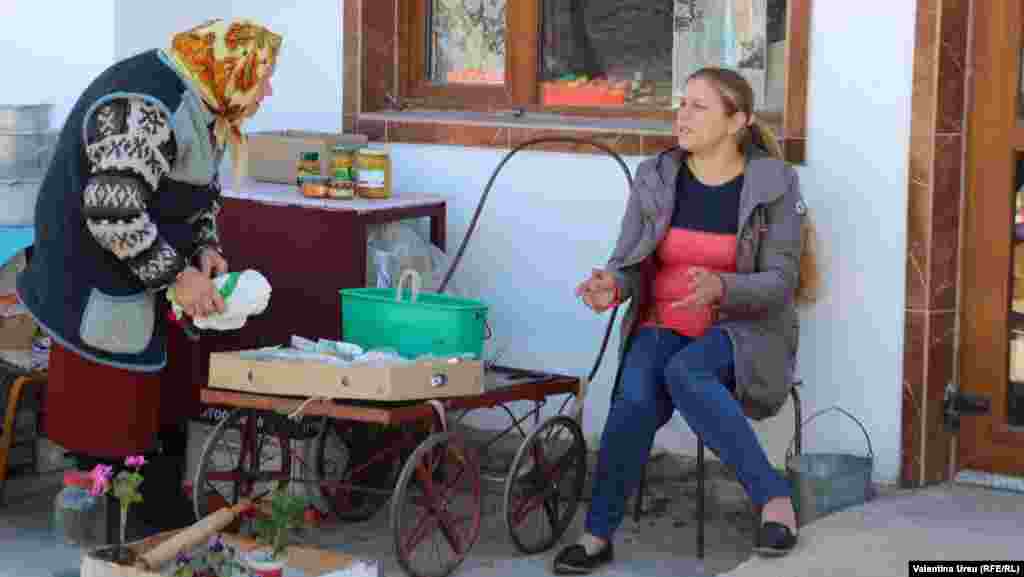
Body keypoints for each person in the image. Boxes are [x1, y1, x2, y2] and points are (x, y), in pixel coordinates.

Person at [16, 18, 282, 532]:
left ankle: (158, 529)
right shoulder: (145, 106)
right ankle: (113, 538)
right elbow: (113, 212)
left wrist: (205, 248)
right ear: (230, 68)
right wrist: (178, 277)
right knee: (109, 430)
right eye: (262, 76)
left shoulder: (208, 104)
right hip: (92, 283)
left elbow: (197, 193)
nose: (266, 90)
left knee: (160, 418)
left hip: (145, 280)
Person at [554, 67, 819, 574]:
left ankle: (773, 499)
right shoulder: (656, 175)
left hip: (742, 331)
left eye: (699, 106)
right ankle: (597, 534)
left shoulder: (774, 183)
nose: (683, 115)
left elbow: (783, 281)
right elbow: (629, 261)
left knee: (686, 370)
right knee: (633, 393)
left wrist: (723, 288)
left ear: (736, 120)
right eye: (682, 104)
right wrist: (613, 284)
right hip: (663, 322)